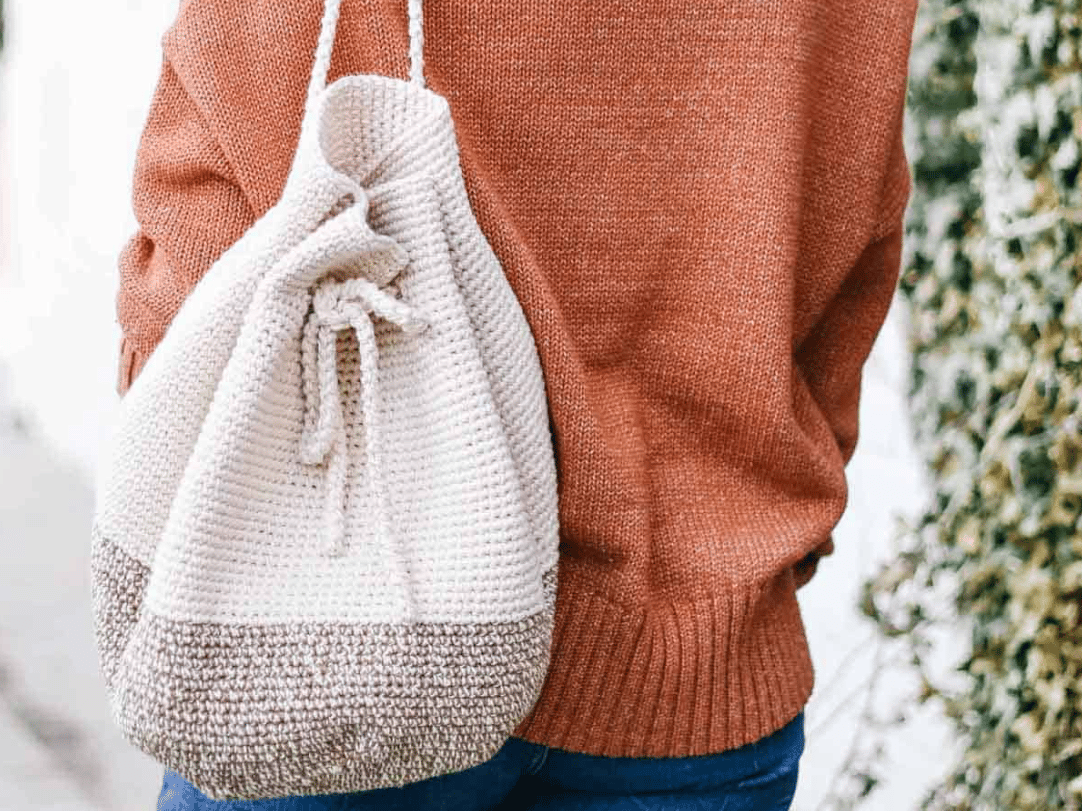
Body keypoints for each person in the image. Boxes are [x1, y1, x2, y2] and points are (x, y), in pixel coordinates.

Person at [113, 0, 919, 807]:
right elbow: (857, 229)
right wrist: (757, 530)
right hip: (692, 656)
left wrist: (186, 442)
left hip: (338, 613)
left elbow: (206, 167)